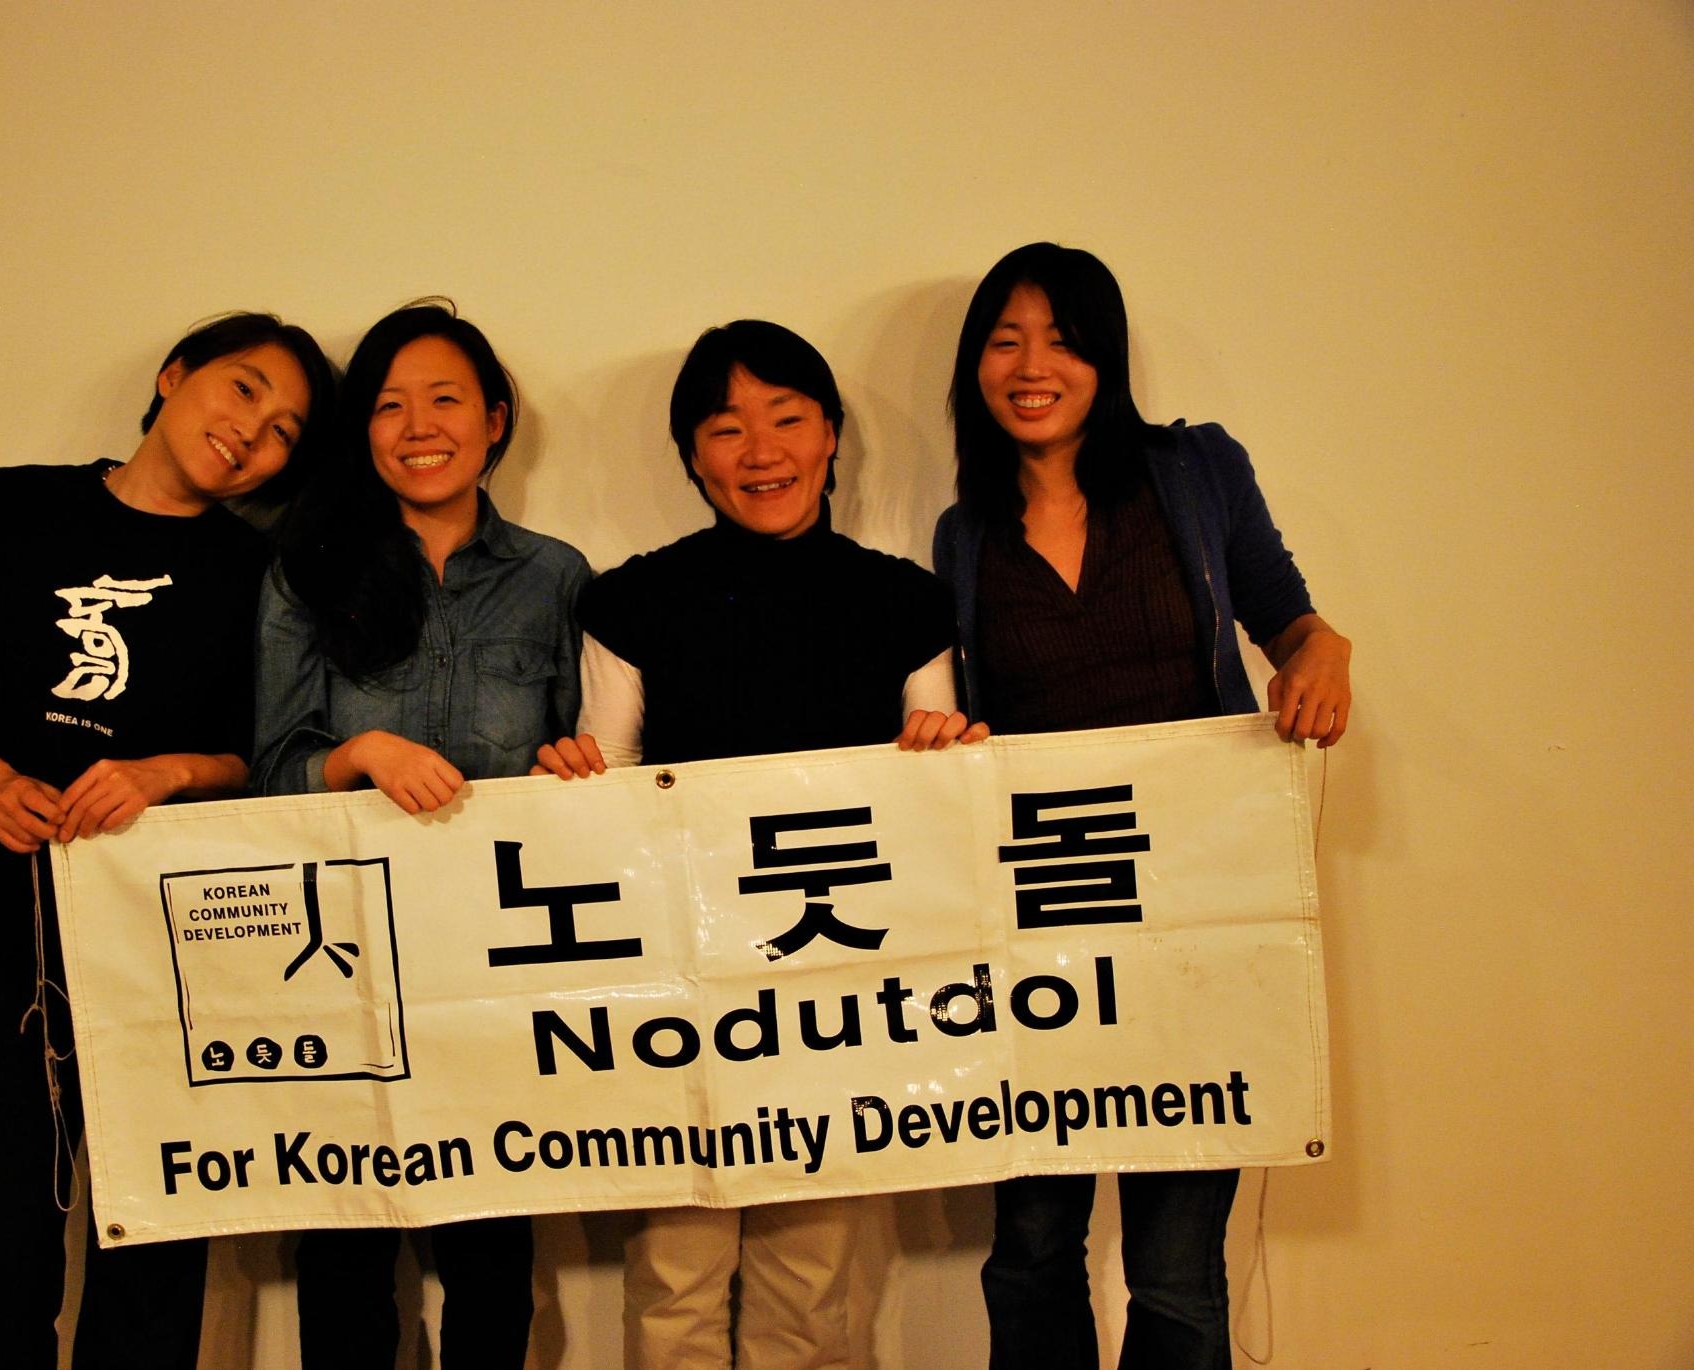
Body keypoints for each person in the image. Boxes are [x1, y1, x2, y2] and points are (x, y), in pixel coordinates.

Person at [0, 313, 335, 1369]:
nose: (251, 429)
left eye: (284, 428)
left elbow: (254, 753)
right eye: (241, 388)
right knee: (3, 1225)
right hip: (7, 919)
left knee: (157, 1232)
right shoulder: (10, 504)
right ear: (172, 375)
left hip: (171, 940)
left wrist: (162, 771)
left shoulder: (256, 571)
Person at [534, 319, 984, 1369]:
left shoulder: (906, 600)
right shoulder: (629, 598)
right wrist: (570, 779)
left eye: (786, 418)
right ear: (692, 454)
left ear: (830, 433)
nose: (760, 450)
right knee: (674, 1281)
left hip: (839, 1000)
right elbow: (607, 774)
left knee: (813, 1292)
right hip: (677, 994)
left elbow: (933, 794)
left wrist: (942, 751)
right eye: (726, 428)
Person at [934, 242, 1352, 1369]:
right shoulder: (963, 532)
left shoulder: (1193, 469)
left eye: (1063, 338)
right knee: (1028, 1239)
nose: (1033, 364)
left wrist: (1324, 657)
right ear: (974, 363)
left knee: (1173, 1260)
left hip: (1192, 917)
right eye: (1005, 338)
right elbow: (965, 728)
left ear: (1104, 359)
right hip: (1036, 932)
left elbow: (1290, 620)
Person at [251, 300, 589, 1367]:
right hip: (340, 966)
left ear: (494, 418)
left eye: (444, 398)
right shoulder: (305, 567)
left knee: (490, 1268)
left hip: (500, 973)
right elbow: (264, 773)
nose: (417, 425)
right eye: (387, 406)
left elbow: (592, 766)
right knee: (345, 1267)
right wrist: (360, 754)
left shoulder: (556, 576)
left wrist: (574, 770)